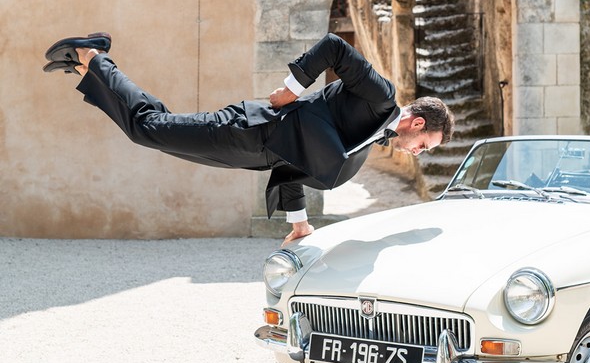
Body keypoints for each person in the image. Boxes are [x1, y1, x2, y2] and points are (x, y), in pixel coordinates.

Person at [43, 32, 455, 243]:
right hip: (250, 128)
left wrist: (299, 224)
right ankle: (93, 55)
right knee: (148, 129)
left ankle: (88, 71)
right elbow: (335, 49)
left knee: (156, 128)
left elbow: (295, 168)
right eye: (425, 145)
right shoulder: (380, 97)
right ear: (417, 123)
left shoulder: (372, 142)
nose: (418, 153)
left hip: (254, 153)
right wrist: (293, 88)